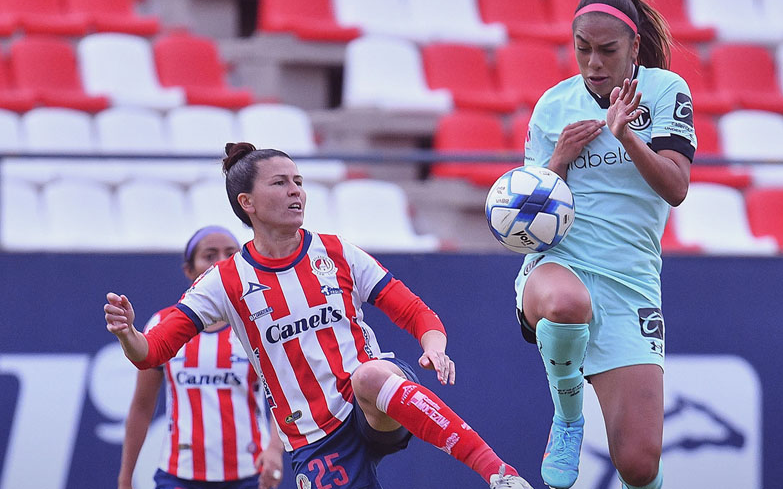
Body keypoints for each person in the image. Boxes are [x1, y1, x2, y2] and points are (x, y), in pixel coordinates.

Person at [104, 142, 535, 489]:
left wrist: (434, 346)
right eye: (281, 183)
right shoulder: (224, 281)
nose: (297, 191)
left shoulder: (335, 251)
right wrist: (128, 333)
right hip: (314, 436)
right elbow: (152, 352)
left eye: (299, 181)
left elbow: (416, 312)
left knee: (369, 375)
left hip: (369, 401)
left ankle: (500, 474)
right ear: (247, 202)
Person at [515, 0, 695, 488]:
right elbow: (526, 218)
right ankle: (568, 415)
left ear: (634, 46)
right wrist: (559, 161)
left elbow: (676, 188)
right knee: (568, 302)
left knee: (640, 465)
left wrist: (627, 136)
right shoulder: (553, 107)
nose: (593, 63)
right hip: (558, 265)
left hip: (631, 282)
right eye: (582, 48)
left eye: (607, 50)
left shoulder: (664, 91)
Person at [117, 226, 285, 489]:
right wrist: (125, 477)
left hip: (249, 474)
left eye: (230, 254)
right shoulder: (162, 323)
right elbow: (141, 407)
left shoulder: (258, 323)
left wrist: (275, 449)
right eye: (209, 255)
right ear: (189, 270)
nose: (220, 262)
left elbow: (284, 393)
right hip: (179, 475)